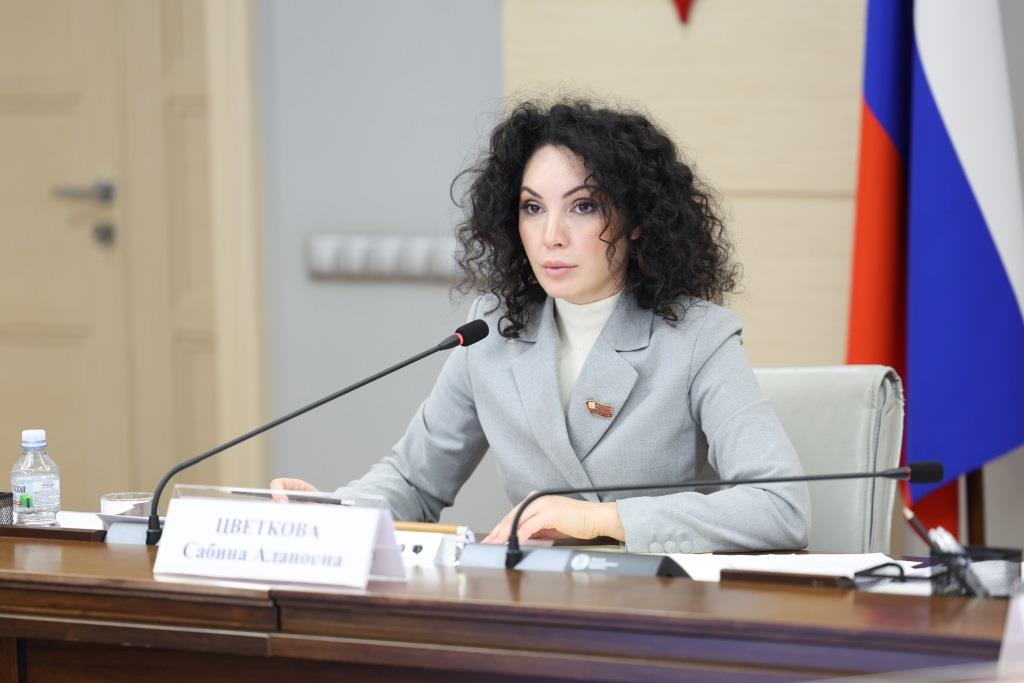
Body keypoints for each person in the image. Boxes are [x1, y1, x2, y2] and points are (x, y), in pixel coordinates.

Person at [271, 99, 810, 553]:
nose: (552, 234)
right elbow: (413, 480)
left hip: (661, 615)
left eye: (583, 206)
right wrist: (335, 514)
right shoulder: (491, 330)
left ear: (638, 221)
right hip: (541, 608)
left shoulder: (698, 338)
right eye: (532, 208)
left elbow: (780, 507)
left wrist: (603, 520)